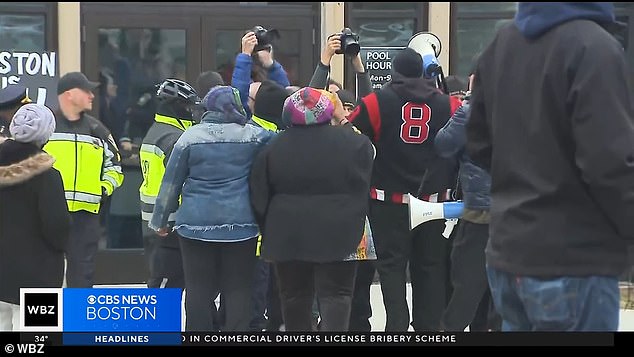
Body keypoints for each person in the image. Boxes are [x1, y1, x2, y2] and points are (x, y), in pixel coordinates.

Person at [466, 2, 634, 331]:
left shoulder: (502, 44)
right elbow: (610, 164)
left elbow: (477, 142)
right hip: (574, 257)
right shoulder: (594, 48)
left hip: (509, 251)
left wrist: (523, 178)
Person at [348, 47, 462, 331]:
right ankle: (429, 326)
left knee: (391, 267)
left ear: (395, 72)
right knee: (431, 267)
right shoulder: (450, 105)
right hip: (435, 200)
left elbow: (354, 139)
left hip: (389, 200)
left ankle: (396, 325)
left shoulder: (376, 102)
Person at [150, 85, 274, 331]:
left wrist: (161, 220)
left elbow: (171, 182)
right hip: (241, 225)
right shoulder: (254, 136)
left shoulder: (190, 137)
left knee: (198, 288)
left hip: (194, 225)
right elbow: (282, 145)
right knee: (238, 287)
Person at [250, 87, 374, 331]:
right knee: (337, 296)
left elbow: (259, 194)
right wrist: (343, 118)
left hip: (287, 235)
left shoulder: (272, 148)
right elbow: (369, 154)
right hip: (341, 233)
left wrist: (268, 229)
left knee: (294, 298)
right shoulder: (353, 144)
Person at [43, 71, 124, 288]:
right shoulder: (45, 129)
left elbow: (115, 167)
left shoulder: (97, 130)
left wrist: (103, 189)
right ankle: (43, 322)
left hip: (85, 218)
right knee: (44, 275)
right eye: (86, 90)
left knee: (82, 277)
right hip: (49, 215)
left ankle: (78, 323)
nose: (91, 95)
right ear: (69, 94)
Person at [435, 74, 501, 332]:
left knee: (466, 285)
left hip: (480, 212)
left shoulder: (471, 112)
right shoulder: (527, 108)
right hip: (517, 212)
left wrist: (469, 100)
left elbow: (443, 144)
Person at [0, 104, 71, 331]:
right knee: (37, 340)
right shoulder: (47, 176)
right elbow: (57, 227)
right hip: (37, 276)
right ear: (46, 134)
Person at [140, 78, 201, 290]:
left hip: (154, 221)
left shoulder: (157, 130)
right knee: (167, 286)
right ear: (174, 108)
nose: (191, 111)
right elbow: (180, 181)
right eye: (187, 106)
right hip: (170, 224)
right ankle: (159, 324)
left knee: (161, 282)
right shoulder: (173, 139)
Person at [231, 30, 290, 119]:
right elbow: (239, 100)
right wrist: (245, 56)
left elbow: (284, 97)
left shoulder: (268, 73)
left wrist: (271, 65)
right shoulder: (241, 71)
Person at [309, 32, 372, 101]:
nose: (335, 99)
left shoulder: (348, 111)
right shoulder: (321, 110)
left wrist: (359, 66)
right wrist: (325, 58)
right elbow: (311, 101)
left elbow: (368, 103)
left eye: (338, 95)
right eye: (330, 94)